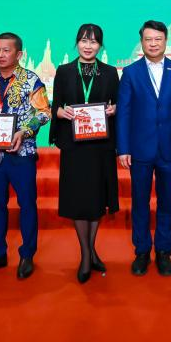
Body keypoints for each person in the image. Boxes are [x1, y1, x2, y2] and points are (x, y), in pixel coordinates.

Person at [116, 20, 171, 277]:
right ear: (142, 42)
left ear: (165, 41)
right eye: (148, 39)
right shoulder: (130, 73)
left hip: (170, 148)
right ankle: (141, 251)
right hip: (139, 149)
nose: (153, 44)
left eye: (158, 39)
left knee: (166, 202)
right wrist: (123, 148)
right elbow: (124, 113)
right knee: (140, 202)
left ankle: (163, 250)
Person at [0, 32, 51, 280]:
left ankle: (27, 255)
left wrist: (24, 132)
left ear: (19, 54)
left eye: (6, 50)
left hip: (21, 153)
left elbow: (44, 112)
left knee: (27, 204)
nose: (0, 55)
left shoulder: (31, 80)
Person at [50, 24, 119, 283]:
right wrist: (61, 112)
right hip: (75, 147)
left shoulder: (110, 72)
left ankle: (90, 252)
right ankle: (86, 255)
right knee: (79, 199)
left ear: (100, 45)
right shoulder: (64, 71)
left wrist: (114, 109)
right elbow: (55, 106)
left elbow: (118, 103)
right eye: (83, 40)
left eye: (93, 42)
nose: (88, 46)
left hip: (100, 146)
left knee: (97, 199)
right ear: (76, 43)